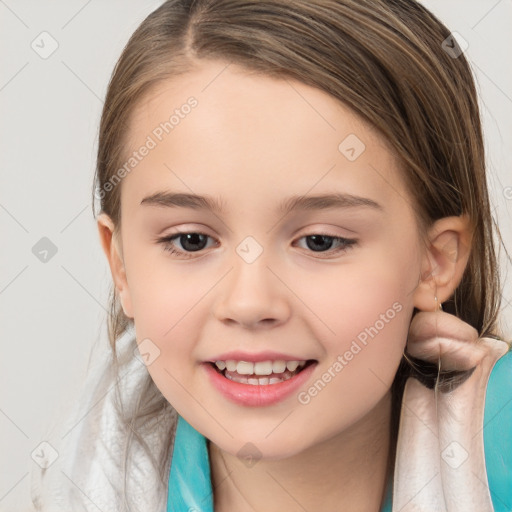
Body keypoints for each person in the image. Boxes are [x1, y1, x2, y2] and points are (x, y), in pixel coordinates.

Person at [31, 1, 512, 511]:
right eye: (191, 240)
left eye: (320, 241)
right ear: (121, 265)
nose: (249, 302)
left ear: (434, 261)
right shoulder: (77, 483)